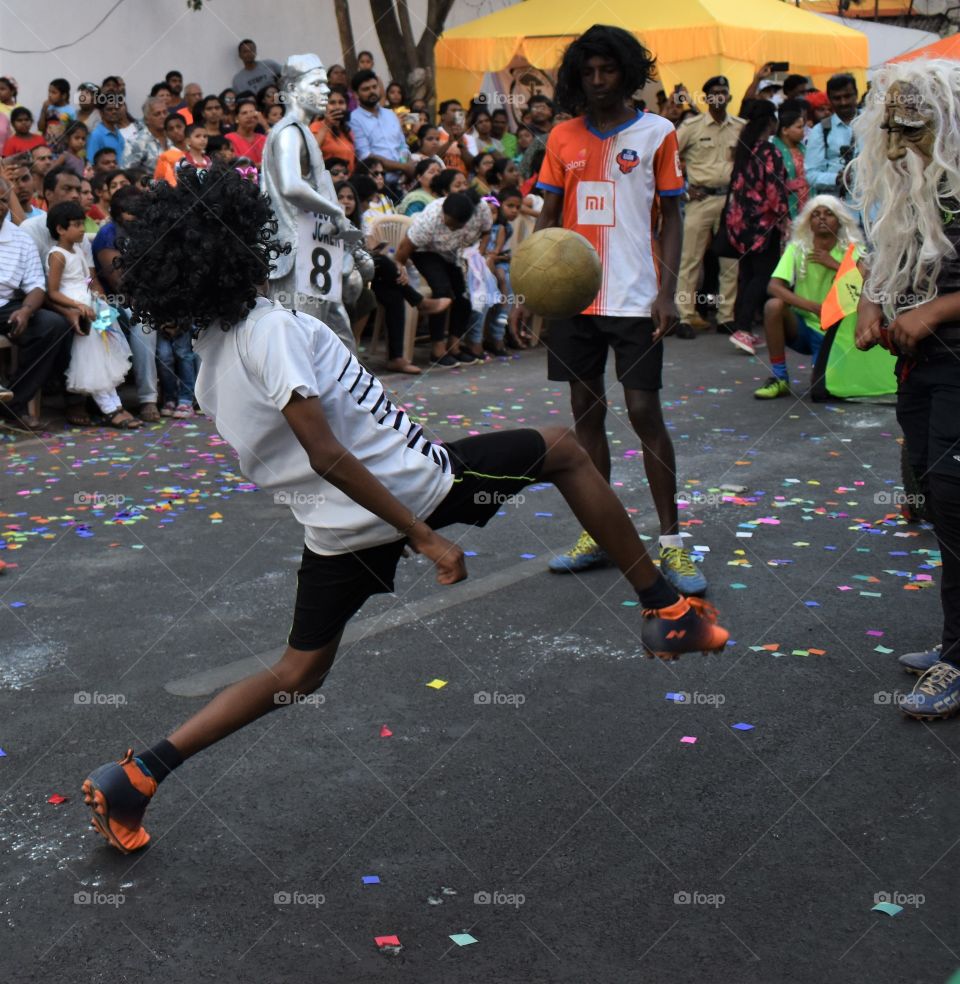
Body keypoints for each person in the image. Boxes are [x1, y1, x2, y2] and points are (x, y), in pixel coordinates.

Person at [79, 163, 729, 855]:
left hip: (336, 530)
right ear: (236, 249)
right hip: (416, 489)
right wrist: (422, 535)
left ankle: (138, 775)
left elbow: (320, 421)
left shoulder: (214, 361)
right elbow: (326, 451)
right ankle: (666, 610)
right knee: (565, 450)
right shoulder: (269, 332)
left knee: (298, 673)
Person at [529, 25, 706, 594]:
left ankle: (673, 543)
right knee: (585, 411)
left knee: (643, 411)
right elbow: (547, 216)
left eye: (609, 70)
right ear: (577, 77)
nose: (599, 81)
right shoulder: (561, 137)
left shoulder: (659, 133)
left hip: (636, 297)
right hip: (574, 299)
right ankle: (599, 535)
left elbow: (674, 217)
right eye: (589, 71)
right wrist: (530, 289)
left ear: (627, 73)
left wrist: (670, 291)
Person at [852, 61, 960, 718]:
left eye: (911, 127)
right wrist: (873, 303)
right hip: (920, 369)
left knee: (953, 498)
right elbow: (886, 256)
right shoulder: (911, 179)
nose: (896, 143)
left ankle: (959, 653)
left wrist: (935, 311)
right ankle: (956, 638)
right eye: (889, 127)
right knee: (932, 490)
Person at [752, 195, 862, 397]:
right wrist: (812, 307)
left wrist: (834, 265)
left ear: (839, 221)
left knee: (821, 390)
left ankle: (827, 370)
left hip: (837, 333)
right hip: (803, 326)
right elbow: (774, 287)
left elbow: (865, 286)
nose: (821, 218)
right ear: (809, 222)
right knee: (773, 306)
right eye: (816, 214)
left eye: (829, 214)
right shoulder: (797, 248)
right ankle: (779, 377)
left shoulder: (853, 251)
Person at [44, 201, 139, 429]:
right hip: (79, 308)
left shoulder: (79, 248)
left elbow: (88, 279)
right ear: (60, 229)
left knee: (107, 352)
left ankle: (115, 403)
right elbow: (53, 291)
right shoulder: (56, 255)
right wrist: (77, 305)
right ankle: (110, 408)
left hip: (92, 304)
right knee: (94, 357)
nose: (81, 229)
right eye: (76, 225)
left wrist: (98, 294)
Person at [0, 176, 75, 433]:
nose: (0, 205)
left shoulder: (20, 239)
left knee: (52, 324)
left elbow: (35, 285)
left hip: (7, 305)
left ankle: (12, 404)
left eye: (2, 200)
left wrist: (26, 310)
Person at [674, 75, 743, 340]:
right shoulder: (691, 127)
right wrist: (683, 188)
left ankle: (726, 315)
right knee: (689, 259)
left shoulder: (740, 127)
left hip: (731, 200)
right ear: (705, 98)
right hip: (699, 199)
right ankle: (685, 315)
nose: (719, 97)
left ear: (729, 97)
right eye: (713, 93)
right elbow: (667, 156)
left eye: (723, 92)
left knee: (730, 260)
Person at [394, 188, 492, 368]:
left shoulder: (482, 209)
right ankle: (437, 350)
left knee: (464, 294)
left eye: (457, 226)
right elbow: (403, 250)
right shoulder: (429, 219)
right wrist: (400, 270)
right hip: (426, 252)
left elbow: (486, 231)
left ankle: (454, 346)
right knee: (442, 291)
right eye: (449, 224)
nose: (452, 228)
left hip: (454, 253)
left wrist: (479, 253)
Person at [722, 100, 790, 349]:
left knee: (747, 275)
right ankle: (742, 328)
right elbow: (774, 190)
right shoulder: (769, 152)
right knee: (763, 277)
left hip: (739, 224)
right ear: (771, 123)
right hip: (763, 226)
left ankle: (743, 327)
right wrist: (785, 216)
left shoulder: (744, 149)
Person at [350, 70, 410, 192]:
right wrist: (404, 167)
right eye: (366, 89)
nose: (372, 91)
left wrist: (405, 168)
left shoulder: (390, 114)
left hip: (403, 180)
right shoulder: (354, 119)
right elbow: (366, 156)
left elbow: (402, 146)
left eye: (374, 87)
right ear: (356, 94)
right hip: (378, 183)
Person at [805, 73, 859, 196]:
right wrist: (836, 179)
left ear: (856, 94)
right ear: (829, 99)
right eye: (837, 98)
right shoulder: (820, 130)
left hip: (874, 208)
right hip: (839, 207)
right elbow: (811, 174)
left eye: (847, 96)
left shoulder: (873, 124)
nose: (843, 102)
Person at [310, 87, 355, 173]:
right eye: (332, 103)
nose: (337, 107)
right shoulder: (316, 126)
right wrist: (327, 125)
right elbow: (311, 151)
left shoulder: (347, 131)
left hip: (346, 179)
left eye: (341, 102)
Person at [122, 97, 168, 172]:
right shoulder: (136, 142)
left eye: (165, 112)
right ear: (147, 119)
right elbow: (127, 173)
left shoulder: (174, 135)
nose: (163, 116)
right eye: (157, 114)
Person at [225, 98, 266, 166]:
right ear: (236, 118)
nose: (249, 116)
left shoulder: (264, 139)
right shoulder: (229, 138)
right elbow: (234, 165)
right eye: (244, 113)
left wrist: (265, 125)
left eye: (252, 112)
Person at [437, 99, 472, 175]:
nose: (457, 113)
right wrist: (449, 142)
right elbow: (432, 158)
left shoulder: (468, 138)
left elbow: (472, 164)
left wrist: (461, 144)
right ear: (443, 116)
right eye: (453, 110)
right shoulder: (435, 133)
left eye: (460, 111)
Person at [86, 98, 126, 165]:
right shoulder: (96, 135)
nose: (114, 112)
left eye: (116, 109)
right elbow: (91, 163)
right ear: (101, 113)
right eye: (109, 109)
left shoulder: (118, 133)